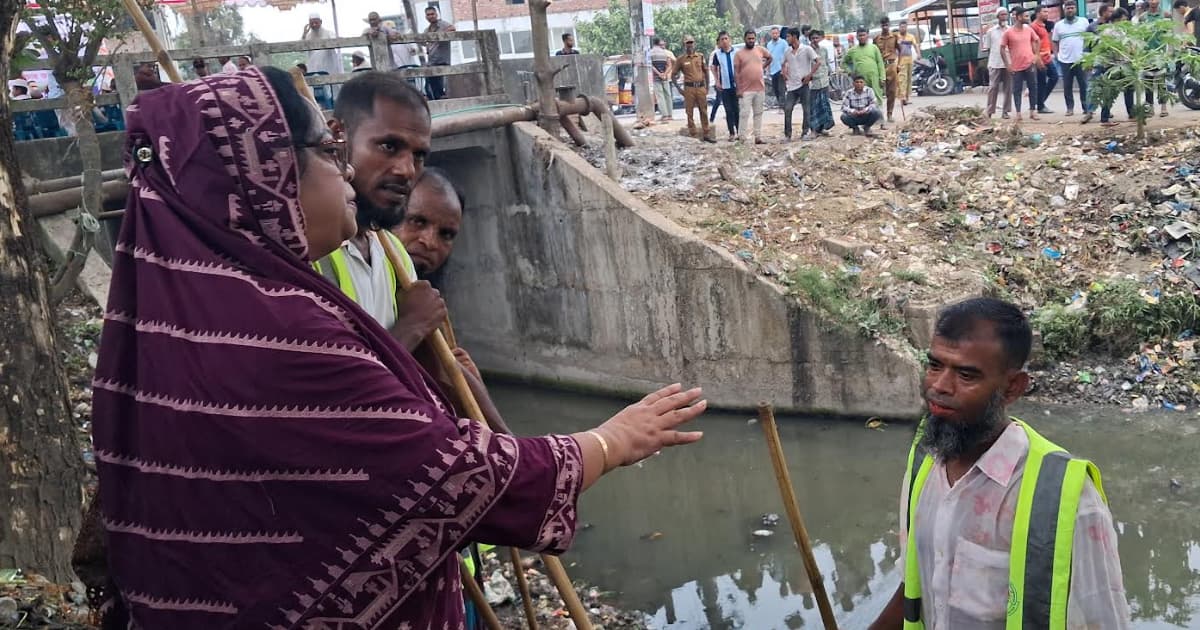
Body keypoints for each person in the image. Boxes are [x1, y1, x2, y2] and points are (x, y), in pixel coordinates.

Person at [89, 64, 707, 629]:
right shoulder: (281, 335)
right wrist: (612, 440)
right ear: (266, 171)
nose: (350, 173)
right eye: (330, 153)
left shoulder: (174, 322)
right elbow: (453, 477)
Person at [866, 297, 1130, 630]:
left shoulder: (1065, 500)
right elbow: (915, 586)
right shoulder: (925, 462)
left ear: (1012, 388)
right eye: (935, 365)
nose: (939, 387)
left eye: (966, 375)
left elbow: (1103, 622)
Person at [670, 35, 714, 141]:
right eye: (687, 43)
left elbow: (706, 71)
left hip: (700, 87)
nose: (689, 45)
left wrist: (707, 86)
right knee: (689, 112)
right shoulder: (681, 59)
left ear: (694, 44)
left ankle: (706, 133)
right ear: (684, 45)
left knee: (703, 110)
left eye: (691, 42)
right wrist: (679, 89)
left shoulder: (700, 56)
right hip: (689, 89)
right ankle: (693, 133)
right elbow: (673, 74)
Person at [1002, 7, 1043, 122]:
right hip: (1015, 65)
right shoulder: (1008, 32)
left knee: (1033, 87)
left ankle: (1032, 111)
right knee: (1017, 90)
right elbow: (1002, 49)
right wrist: (1007, 64)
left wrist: (1036, 55)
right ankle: (1018, 113)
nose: (1028, 18)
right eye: (1025, 16)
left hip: (1029, 63)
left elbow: (1037, 40)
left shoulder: (1029, 29)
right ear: (1018, 17)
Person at [781, 26, 820, 141]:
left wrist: (809, 75)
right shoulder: (787, 51)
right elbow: (783, 64)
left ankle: (805, 132)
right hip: (792, 85)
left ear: (794, 37)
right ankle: (787, 135)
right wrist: (784, 73)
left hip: (804, 84)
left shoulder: (807, 49)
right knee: (788, 109)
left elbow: (818, 62)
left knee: (806, 109)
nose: (786, 39)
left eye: (788, 36)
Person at [1052, 1, 1090, 116]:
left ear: (1075, 9)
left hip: (1081, 59)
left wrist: (1088, 56)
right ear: (1064, 10)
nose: (1070, 10)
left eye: (1072, 8)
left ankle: (1086, 107)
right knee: (1067, 86)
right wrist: (1056, 55)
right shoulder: (1058, 25)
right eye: (1068, 8)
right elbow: (1055, 41)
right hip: (1065, 60)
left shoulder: (1084, 22)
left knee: (1084, 85)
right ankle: (1070, 108)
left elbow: (1089, 39)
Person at [734, 29, 771, 144]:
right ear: (744, 39)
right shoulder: (739, 54)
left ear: (755, 39)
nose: (751, 40)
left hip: (759, 88)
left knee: (758, 113)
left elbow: (770, 57)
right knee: (744, 114)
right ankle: (742, 137)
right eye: (749, 38)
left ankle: (758, 137)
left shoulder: (760, 50)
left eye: (753, 38)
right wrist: (738, 88)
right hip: (745, 90)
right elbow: (736, 73)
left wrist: (762, 67)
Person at [842, 26, 885, 122]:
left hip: (874, 77)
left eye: (863, 35)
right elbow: (844, 62)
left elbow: (880, 62)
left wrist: (882, 77)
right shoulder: (852, 50)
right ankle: (867, 121)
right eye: (860, 35)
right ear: (857, 37)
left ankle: (880, 119)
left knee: (877, 97)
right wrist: (850, 72)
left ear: (867, 36)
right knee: (864, 99)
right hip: (860, 80)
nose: (862, 37)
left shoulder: (874, 48)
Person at [1081, 3, 1114, 124]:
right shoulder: (1092, 27)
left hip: (1110, 62)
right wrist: (1087, 61)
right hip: (1097, 61)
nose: (1112, 14)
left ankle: (1106, 112)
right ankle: (1089, 112)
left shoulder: (1112, 26)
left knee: (1108, 88)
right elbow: (1086, 46)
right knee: (1092, 88)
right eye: (1110, 11)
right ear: (1103, 12)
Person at [981, 7, 1012, 119]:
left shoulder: (1010, 30)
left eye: (1005, 14)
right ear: (998, 17)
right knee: (993, 87)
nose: (1004, 17)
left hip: (1008, 63)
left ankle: (1006, 111)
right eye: (1002, 15)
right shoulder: (991, 31)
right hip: (995, 63)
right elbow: (988, 48)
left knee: (1008, 88)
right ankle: (989, 110)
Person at [710, 31, 740, 140]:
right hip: (725, 86)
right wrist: (717, 81)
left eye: (726, 38)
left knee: (737, 109)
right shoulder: (717, 54)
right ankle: (731, 133)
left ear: (730, 40)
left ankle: (739, 132)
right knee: (728, 110)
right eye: (722, 39)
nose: (724, 41)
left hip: (737, 85)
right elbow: (713, 67)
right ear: (719, 41)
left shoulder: (736, 52)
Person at [806, 29, 836, 136]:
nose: (815, 40)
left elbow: (826, 64)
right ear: (809, 39)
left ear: (820, 38)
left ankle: (822, 129)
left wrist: (829, 75)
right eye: (813, 38)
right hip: (813, 83)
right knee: (813, 107)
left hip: (824, 81)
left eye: (816, 38)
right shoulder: (807, 50)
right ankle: (813, 130)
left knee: (824, 106)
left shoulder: (824, 50)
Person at [1031, 7, 1059, 114]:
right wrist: (1037, 58)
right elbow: (1033, 43)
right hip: (1040, 58)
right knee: (1042, 82)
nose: (1047, 14)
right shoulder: (1034, 26)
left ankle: (1040, 102)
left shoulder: (1043, 26)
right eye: (1044, 12)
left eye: (1048, 12)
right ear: (1038, 13)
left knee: (1054, 77)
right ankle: (1040, 105)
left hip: (1047, 57)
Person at [424, 6, 456, 100]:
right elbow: (424, 41)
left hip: (441, 59)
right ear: (426, 17)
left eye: (432, 14)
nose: (431, 16)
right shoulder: (427, 30)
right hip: (432, 60)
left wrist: (440, 34)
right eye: (428, 15)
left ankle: (441, 97)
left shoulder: (442, 24)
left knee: (439, 82)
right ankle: (437, 98)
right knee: (430, 82)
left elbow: (452, 28)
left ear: (436, 15)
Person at [874, 18, 900, 124]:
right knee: (878, 92)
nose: (885, 27)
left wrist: (899, 64)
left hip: (891, 65)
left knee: (892, 91)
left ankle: (890, 114)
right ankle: (878, 116)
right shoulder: (876, 39)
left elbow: (901, 50)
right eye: (883, 25)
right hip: (880, 67)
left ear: (889, 25)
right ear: (881, 26)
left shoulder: (895, 37)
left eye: (886, 25)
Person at [302, 12, 342, 77]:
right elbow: (301, 50)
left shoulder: (329, 33)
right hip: (313, 68)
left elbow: (336, 42)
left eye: (316, 22)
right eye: (312, 23)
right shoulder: (308, 36)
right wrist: (304, 34)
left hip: (329, 67)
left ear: (321, 22)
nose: (314, 25)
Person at [649, 37, 676, 122]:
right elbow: (669, 65)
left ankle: (664, 115)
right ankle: (670, 114)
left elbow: (650, 66)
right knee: (668, 95)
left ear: (653, 43)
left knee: (660, 96)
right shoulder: (665, 53)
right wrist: (664, 74)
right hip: (665, 77)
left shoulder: (650, 53)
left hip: (656, 78)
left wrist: (658, 74)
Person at [766, 26, 790, 108]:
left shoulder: (783, 43)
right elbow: (768, 57)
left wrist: (786, 69)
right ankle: (781, 104)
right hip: (773, 69)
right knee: (775, 89)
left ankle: (782, 106)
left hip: (781, 69)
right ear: (771, 34)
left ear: (779, 34)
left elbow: (787, 55)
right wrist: (768, 70)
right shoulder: (769, 44)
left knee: (781, 89)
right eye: (773, 33)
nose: (775, 35)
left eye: (776, 33)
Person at [896, 21, 919, 106]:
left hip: (909, 60)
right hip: (900, 60)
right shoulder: (897, 37)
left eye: (904, 27)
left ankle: (907, 98)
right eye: (901, 27)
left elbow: (915, 45)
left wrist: (918, 54)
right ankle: (902, 98)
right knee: (902, 79)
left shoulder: (911, 36)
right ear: (899, 27)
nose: (903, 28)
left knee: (909, 79)